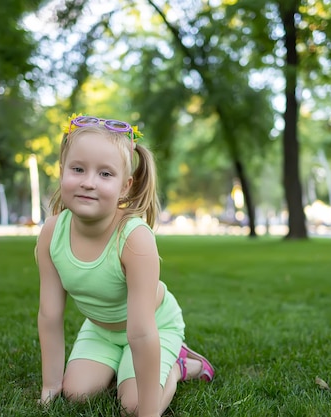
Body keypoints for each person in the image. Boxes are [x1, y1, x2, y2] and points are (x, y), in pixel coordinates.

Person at [36, 114, 215, 417]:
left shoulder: (134, 239)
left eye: (105, 174)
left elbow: (142, 333)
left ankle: (179, 365)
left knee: (133, 406)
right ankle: (120, 366)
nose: (88, 182)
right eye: (78, 169)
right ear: (62, 171)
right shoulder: (52, 233)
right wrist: (50, 386)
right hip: (100, 327)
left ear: (125, 186)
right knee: (76, 393)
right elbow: (49, 314)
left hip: (153, 325)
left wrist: (148, 412)